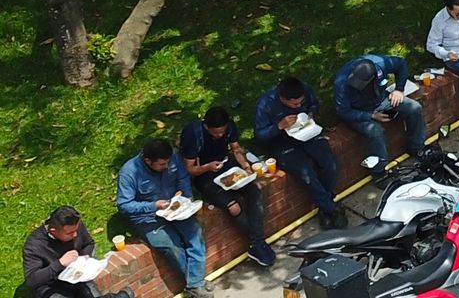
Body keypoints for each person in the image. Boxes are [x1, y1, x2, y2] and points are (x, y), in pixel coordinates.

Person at [115, 139, 211, 298]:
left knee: (196, 234)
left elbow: (183, 178)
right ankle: (196, 281)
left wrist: (186, 198)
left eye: (168, 163)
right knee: (171, 246)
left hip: (175, 208)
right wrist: (153, 206)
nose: (166, 167)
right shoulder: (129, 172)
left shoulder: (171, 156)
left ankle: (194, 283)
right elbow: (124, 205)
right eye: (161, 164)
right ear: (147, 161)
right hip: (148, 217)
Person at [180, 107, 273, 267]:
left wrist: (245, 165)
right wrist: (207, 167)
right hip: (205, 175)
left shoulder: (229, 127)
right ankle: (258, 242)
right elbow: (189, 168)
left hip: (226, 166)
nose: (220, 135)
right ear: (206, 126)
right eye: (216, 133)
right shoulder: (193, 134)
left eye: (223, 132)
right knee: (233, 207)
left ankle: (257, 244)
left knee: (254, 192)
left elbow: (236, 149)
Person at [252, 76, 346, 229]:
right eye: (295, 104)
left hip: (307, 133)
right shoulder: (265, 104)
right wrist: (279, 126)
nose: (298, 105)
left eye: (301, 102)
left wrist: (311, 113)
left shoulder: (304, 89)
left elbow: (314, 104)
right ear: (282, 98)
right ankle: (331, 208)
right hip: (282, 142)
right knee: (306, 174)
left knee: (330, 163)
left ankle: (324, 208)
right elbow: (260, 135)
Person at [332, 53, 427, 174]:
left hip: (380, 99)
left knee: (414, 108)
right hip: (359, 110)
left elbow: (401, 64)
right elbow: (343, 111)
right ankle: (379, 172)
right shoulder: (341, 83)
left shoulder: (381, 63)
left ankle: (417, 147)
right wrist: (370, 116)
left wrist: (399, 89)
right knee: (376, 132)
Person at [23, 206, 108, 298]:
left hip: (77, 277)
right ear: (53, 231)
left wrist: (84, 258)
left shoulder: (73, 226)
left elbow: (89, 243)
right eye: (69, 233)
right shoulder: (34, 245)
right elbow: (31, 281)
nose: (75, 235)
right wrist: (60, 263)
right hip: (51, 285)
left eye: (76, 230)